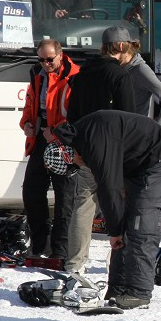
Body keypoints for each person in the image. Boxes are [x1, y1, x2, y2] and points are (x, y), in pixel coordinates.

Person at [49, 111, 161, 309]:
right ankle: (118, 288)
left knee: (141, 226)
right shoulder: (80, 137)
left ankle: (139, 292)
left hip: (157, 164)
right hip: (136, 165)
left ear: (69, 153)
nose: (78, 165)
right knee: (126, 225)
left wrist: (114, 231)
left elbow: (110, 189)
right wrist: (117, 230)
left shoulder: (94, 146)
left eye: (73, 164)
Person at [63, 26, 137, 276]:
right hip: (115, 152)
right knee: (121, 204)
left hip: (86, 150)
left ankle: (75, 264)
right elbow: (130, 119)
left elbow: (71, 116)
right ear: (122, 47)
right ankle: (123, 263)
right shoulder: (120, 76)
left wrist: (77, 149)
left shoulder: (82, 75)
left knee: (83, 206)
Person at [20, 39, 79, 260]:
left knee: (65, 197)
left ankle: (60, 249)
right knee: (32, 191)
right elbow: (30, 103)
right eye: (42, 59)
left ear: (60, 55)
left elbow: (77, 113)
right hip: (41, 138)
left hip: (64, 141)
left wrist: (55, 132)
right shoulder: (37, 73)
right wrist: (27, 123)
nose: (46, 63)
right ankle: (39, 245)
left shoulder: (74, 76)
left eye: (50, 59)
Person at [113, 30, 161, 129]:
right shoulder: (115, 68)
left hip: (135, 135)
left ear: (121, 47)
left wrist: (156, 133)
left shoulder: (141, 70)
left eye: (111, 51)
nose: (108, 56)